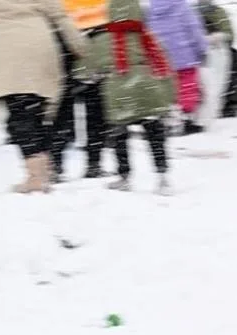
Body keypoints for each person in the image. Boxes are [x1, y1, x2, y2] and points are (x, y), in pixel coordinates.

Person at [73, 0, 177, 195]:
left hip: (119, 94)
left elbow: (84, 69)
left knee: (120, 136)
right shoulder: (148, 37)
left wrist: (88, 76)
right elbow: (166, 67)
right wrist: (170, 97)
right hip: (149, 90)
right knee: (155, 134)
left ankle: (125, 176)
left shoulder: (101, 39)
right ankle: (163, 177)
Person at [0, 0, 86, 193]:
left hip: (4, 49)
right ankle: (43, 172)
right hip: (39, 45)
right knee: (35, 112)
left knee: (20, 115)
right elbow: (59, 16)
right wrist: (79, 45)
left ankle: (36, 177)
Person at [51, 0, 112, 182]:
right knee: (96, 106)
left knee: (64, 104)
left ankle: (56, 165)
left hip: (65, 35)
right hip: (98, 34)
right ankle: (94, 163)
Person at [147, 0, 208, 135]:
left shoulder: (150, 9)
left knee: (165, 88)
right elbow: (194, 29)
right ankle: (185, 119)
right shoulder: (182, 6)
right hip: (184, 54)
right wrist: (202, 50)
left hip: (160, 56)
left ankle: (168, 118)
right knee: (187, 87)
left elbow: (147, 32)